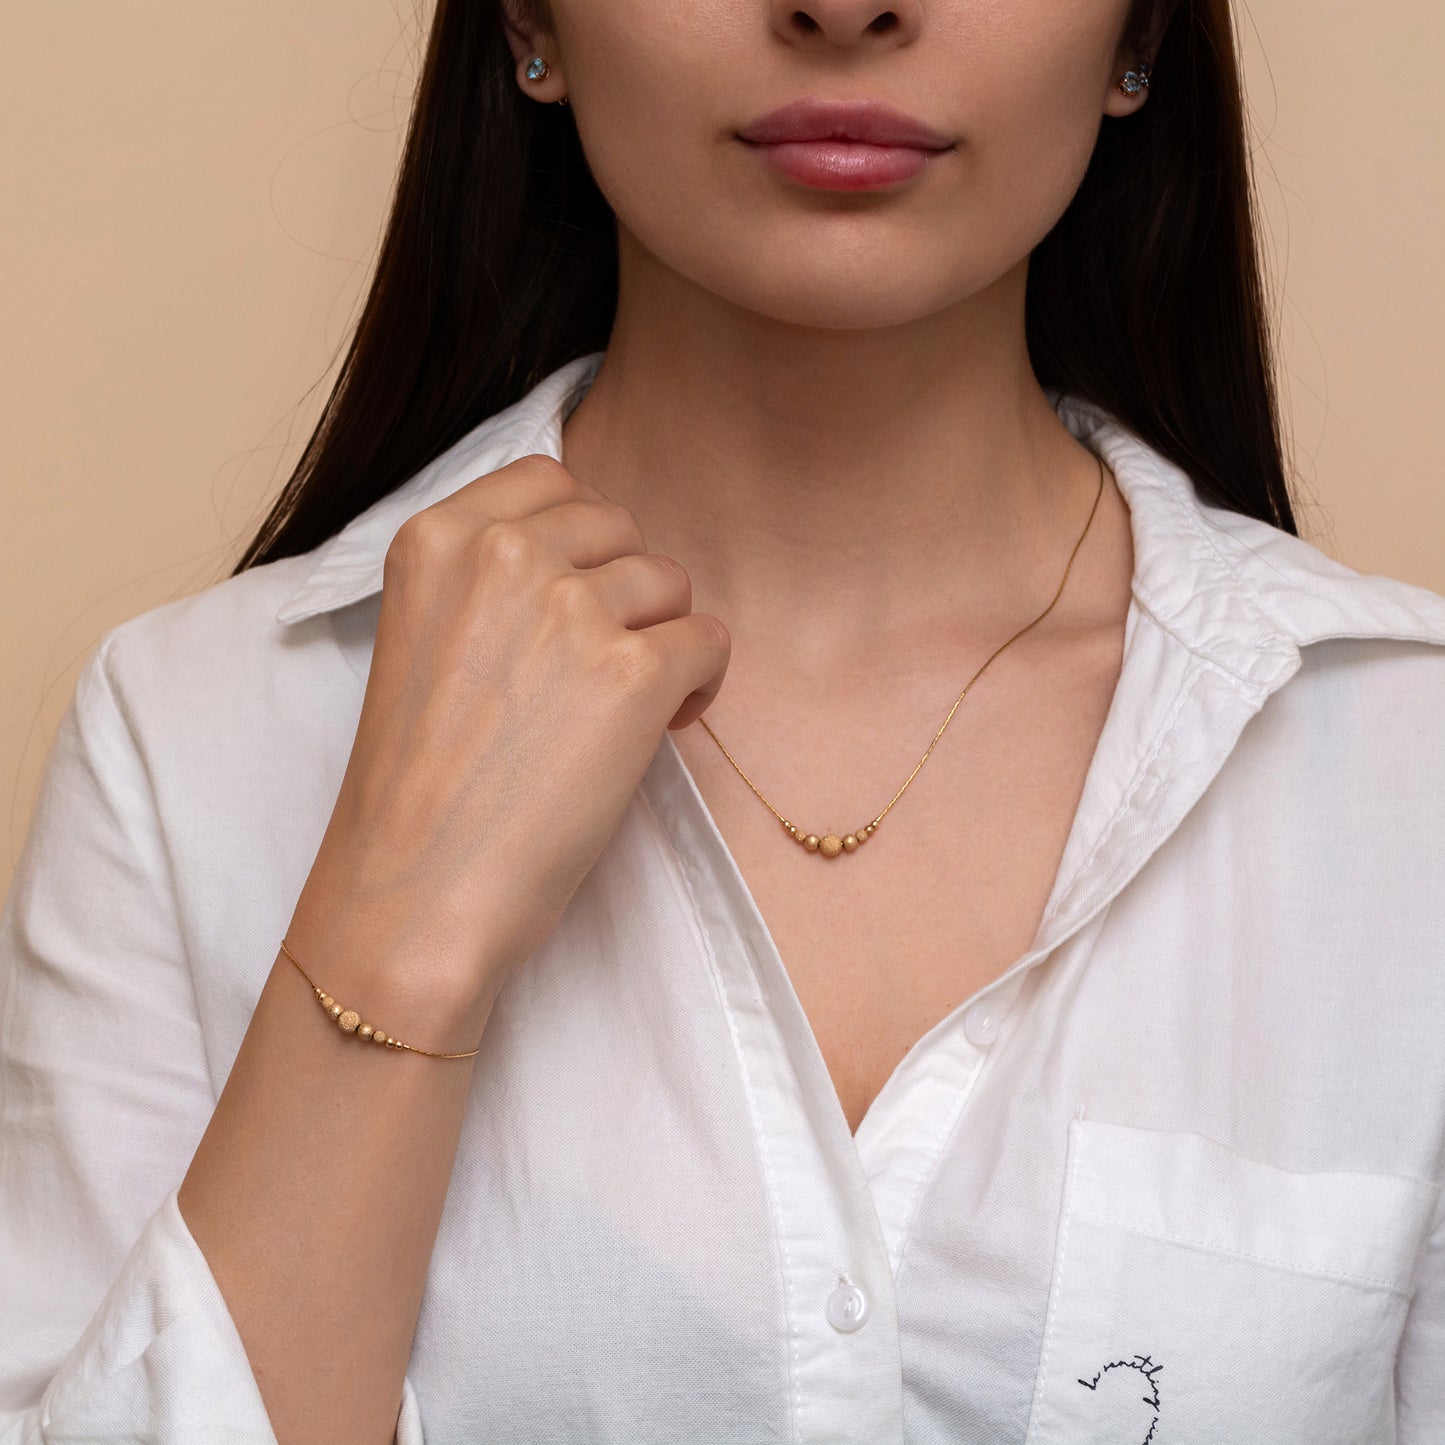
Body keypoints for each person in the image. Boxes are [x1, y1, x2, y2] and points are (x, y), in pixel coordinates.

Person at [2, 0, 1442, 1440]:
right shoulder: (187, 738)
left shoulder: (1404, 763)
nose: (844, 3)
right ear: (528, 21)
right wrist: (398, 934)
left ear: (1136, 37)